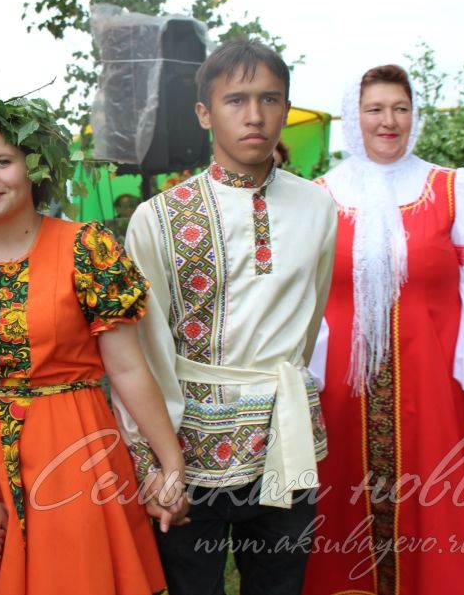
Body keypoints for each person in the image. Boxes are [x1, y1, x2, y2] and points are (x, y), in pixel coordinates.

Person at [0, 93, 187, 595]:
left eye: (1, 162)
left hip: (76, 451)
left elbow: (126, 369)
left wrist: (171, 463)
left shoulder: (87, 248)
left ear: (32, 168)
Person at [117, 40, 337, 595]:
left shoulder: (318, 208)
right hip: (188, 446)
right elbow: (141, 349)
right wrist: (153, 461)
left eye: (270, 99)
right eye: (235, 100)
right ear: (204, 113)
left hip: (286, 435)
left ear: (286, 108)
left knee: (280, 584)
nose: (255, 115)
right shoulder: (159, 218)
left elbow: (308, 321)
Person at [302, 64, 464, 595]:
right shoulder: (320, 196)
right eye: (375, 109)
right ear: (355, 117)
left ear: (414, 115)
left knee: (442, 510)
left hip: (438, 394)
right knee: (342, 516)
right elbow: (306, 303)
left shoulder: (455, 189)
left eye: (400, 108)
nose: (388, 121)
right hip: (342, 399)